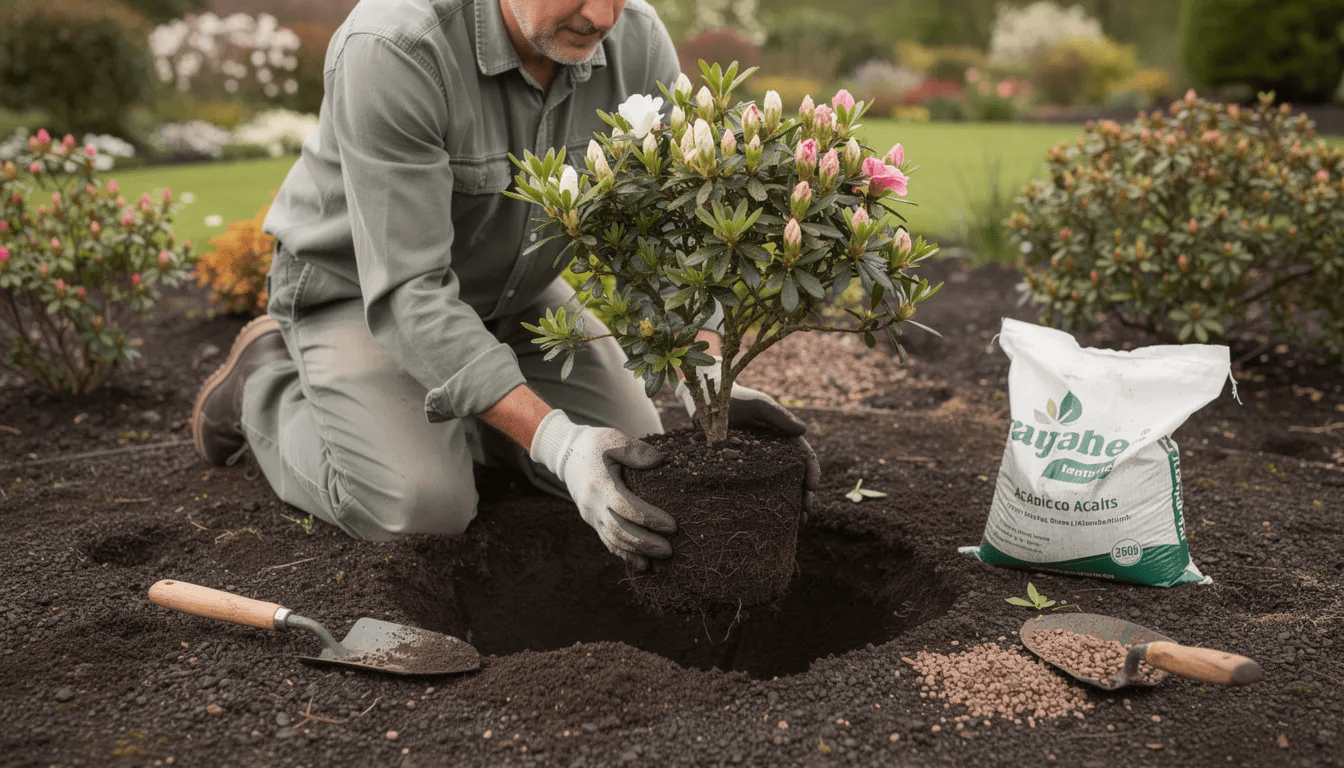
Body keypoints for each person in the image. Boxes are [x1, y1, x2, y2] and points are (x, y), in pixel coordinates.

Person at [191, 0, 816, 570]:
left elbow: (661, 241)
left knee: (636, 462)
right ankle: (261, 389)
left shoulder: (637, 41)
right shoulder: (394, 46)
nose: (602, 17)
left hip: (517, 293)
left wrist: (707, 376)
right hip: (358, 293)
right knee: (420, 509)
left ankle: (466, 422)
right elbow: (410, 292)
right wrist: (560, 444)